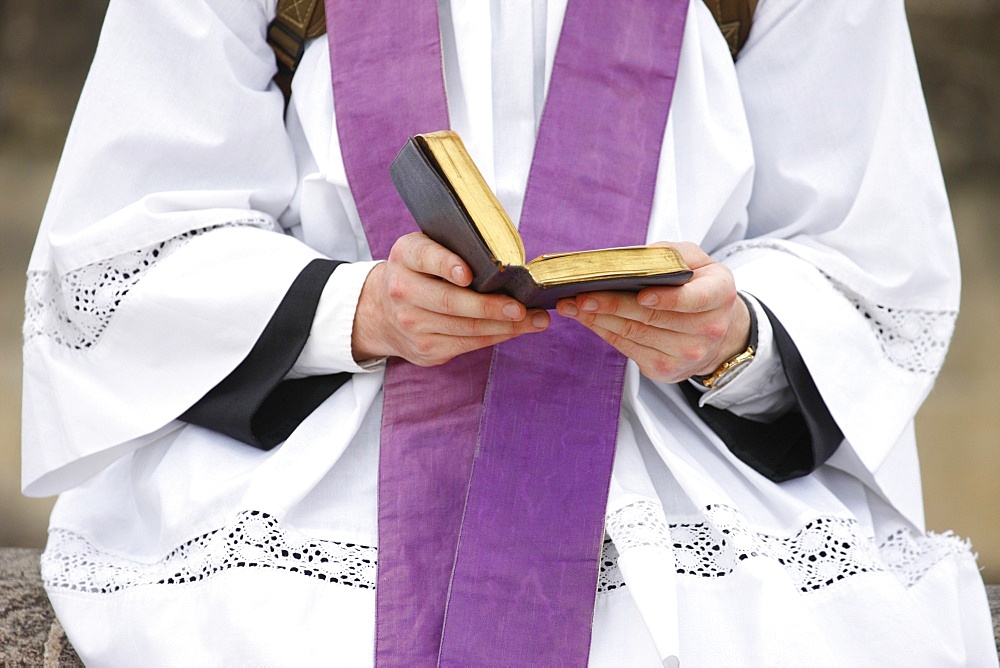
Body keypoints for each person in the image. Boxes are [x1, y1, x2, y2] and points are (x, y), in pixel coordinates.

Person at [22, 0, 997, 665]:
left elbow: (865, 252)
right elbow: (133, 239)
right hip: (321, 470)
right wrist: (359, 309)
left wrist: (730, 337)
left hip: (679, 478)